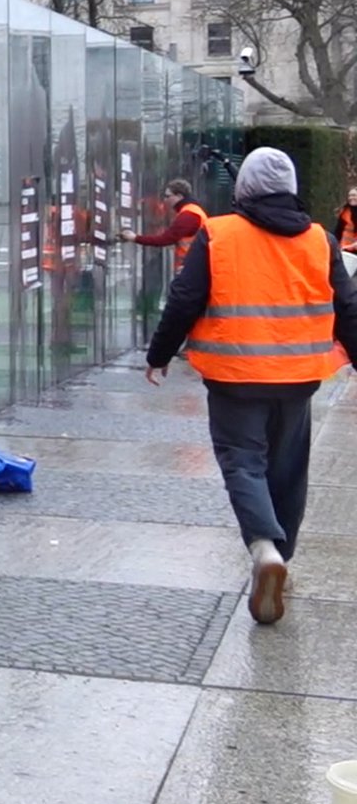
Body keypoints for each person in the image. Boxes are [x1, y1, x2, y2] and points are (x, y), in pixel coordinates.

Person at [144, 147, 357, 625]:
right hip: (299, 376)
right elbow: (348, 307)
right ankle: (283, 553)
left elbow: (184, 298)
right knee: (287, 468)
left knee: (243, 461)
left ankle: (264, 549)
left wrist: (159, 355)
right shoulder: (320, 240)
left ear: (244, 189)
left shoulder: (219, 233)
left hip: (234, 375)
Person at [120, 178, 208, 275]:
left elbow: (165, 239)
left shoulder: (188, 215)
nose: (165, 200)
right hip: (191, 266)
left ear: (179, 196)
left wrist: (135, 238)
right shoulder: (192, 211)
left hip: (190, 267)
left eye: (167, 196)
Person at [337, 187, 357, 253]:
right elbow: (338, 230)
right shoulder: (345, 211)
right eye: (349, 195)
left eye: (354, 195)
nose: (351, 197)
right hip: (344, 249)